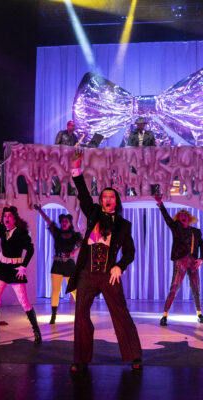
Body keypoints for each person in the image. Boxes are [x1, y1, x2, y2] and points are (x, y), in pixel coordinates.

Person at [67, 149, 142, 372]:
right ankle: (80, 359)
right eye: (105, 196)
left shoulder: (123, 225)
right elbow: (83, 194)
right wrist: (76, 169)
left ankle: (134, 355)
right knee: (80, 315)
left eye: (112, 197)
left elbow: (130, 252)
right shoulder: (93, 214)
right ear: (100, 201)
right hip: (87, 274)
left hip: (109, 274)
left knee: (120, 313)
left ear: (116, 201)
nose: (108, 199)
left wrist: (120, 266)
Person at [0, 192, 41, 346]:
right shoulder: (3, 230)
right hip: (2, 267)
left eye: (9, 216)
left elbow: (30, 249)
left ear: (14, 219)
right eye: (4, 216)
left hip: (15, 269)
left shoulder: (21, 233)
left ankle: (36, 330)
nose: (6, 218)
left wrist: (23, 266)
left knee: (24, 302)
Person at [153, 192, 203, 326]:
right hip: (180, 261)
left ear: (189, 218)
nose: (183, 216)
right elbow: (167, 218)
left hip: (193, 262)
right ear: (178, 218)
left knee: (196, 287)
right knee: (174, 287)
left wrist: (201, 259)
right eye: (181, 215)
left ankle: (199, 314)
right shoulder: (176, 228)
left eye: (185, 215)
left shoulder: (196, 232)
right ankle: (164, 316)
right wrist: (160, 204)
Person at [34, 205, 82, 324]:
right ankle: (53, 315)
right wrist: (40, 210)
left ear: (70, 223)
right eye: (62, 221)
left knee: (74, 290)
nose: (64, 223)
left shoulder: (75, 235)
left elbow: (83, 245)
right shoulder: (57, 233)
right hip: (57, 264)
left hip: (69, 264)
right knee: (55, 291)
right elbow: (49, 221)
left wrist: (74, 251)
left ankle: (81, 313)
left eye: (66, 221)